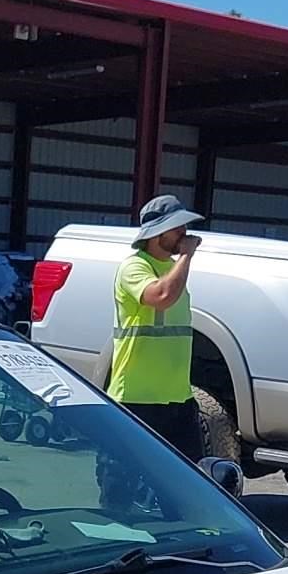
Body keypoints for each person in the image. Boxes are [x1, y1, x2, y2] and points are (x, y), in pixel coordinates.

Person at [107, 193, 205, 461]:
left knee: (188, 478)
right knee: (123, 477)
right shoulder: (134, 267)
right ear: (156, 233)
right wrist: (186, 256)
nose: (184, 233)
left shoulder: (173, 268)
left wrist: (181, 260)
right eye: (177, 228)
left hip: (177, 397)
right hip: (137, 398)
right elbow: (161, 297)